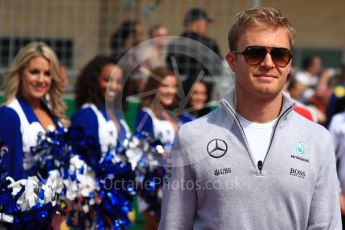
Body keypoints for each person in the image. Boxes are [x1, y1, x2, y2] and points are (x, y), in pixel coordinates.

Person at [159, 7, 341, 229]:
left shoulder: (317, 140)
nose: (268, 62)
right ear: (232, 61)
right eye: (255, 53)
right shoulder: (191, 137)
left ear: (289, 65)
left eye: (279, 54)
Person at [0, 42, 68, 180]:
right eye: (34, 72)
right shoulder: (10, 114)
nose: (41, 80)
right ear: (20, 73)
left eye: (47, 73)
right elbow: (8, 177)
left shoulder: (53, 113)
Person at [135, 67, 179, 230]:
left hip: (176, 183)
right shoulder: (146, 115)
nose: (170, 91)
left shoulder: (174, 116)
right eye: (165, 86)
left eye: (173, 86)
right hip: (154, 183)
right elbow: (143, 149)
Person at [71, 55, 130, 153]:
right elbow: (80, 158)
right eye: (107, 80)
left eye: (119, 82)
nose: (114, 86)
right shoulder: (87, 114)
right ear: (94, 81)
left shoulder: (116, 114)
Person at [166, 7, 221, 83]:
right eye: (206, 23)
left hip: (180, 88)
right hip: (204, 89)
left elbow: (169, 68)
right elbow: (218, 68)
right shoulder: (209, 43)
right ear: (197, 24)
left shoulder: (175, 44)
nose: (207, 27)